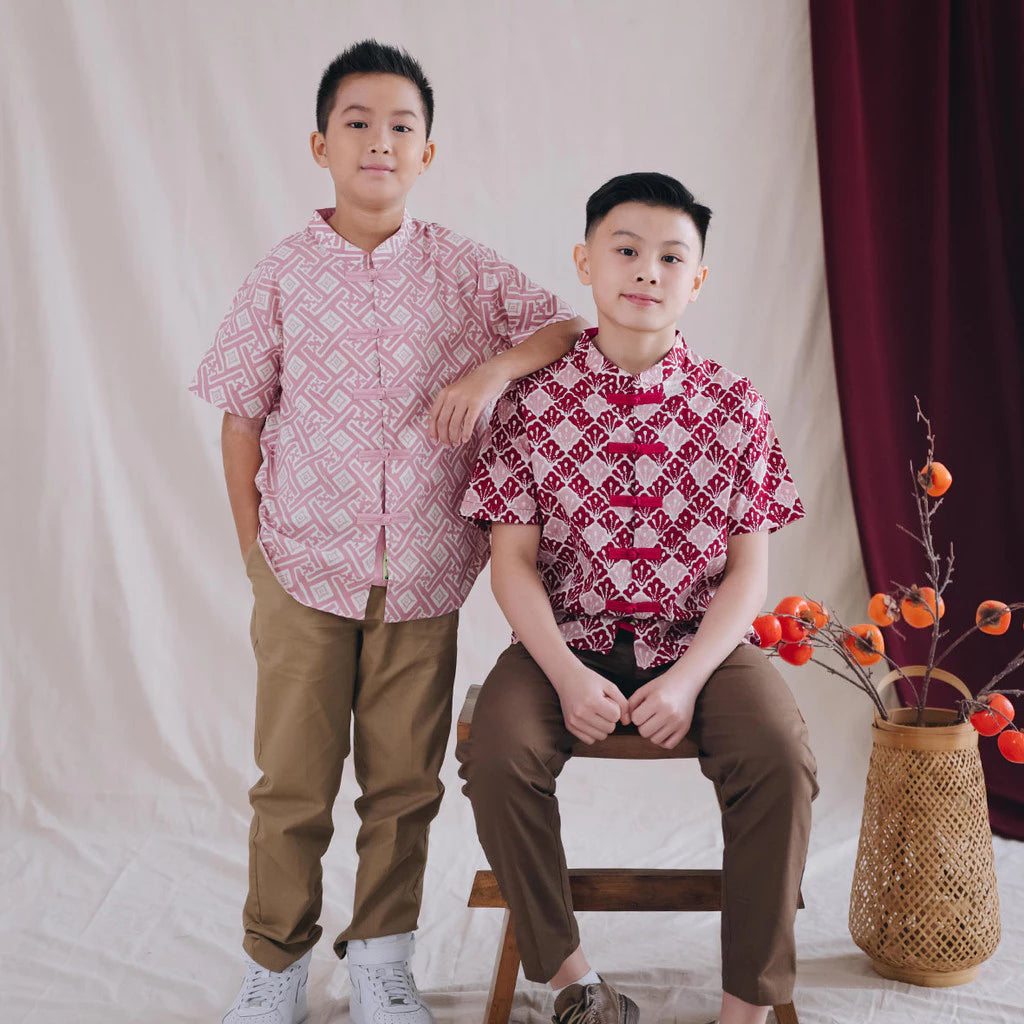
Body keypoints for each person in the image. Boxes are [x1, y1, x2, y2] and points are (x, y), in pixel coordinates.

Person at [190, 39, 585, 1024]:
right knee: (292, 784)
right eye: (357, 124)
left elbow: (563, 330)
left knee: (402, 785)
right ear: (320, 144)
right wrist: (256, 556)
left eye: (400, 127)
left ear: (428, 153)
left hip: (422, 575)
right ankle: (274, 969)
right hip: (302, 572)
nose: (379, 141)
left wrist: (488, 372)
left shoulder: (461, 269)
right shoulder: (281, 274)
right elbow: (240, 418)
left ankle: (380, 962)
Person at [457, 172, 818, 1024]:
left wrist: (690, 679)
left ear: (698, 279)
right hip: (564, 637)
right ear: (586, 262)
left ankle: (746, 1007)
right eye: (625, 250)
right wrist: (567, 675)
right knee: (496, 756)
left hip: (702, 643)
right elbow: (512, 562)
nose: (646, 271)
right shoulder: (530, 405)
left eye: (671, 257)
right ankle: (575, 982)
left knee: (777, 753)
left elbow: (748, 573)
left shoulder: (734, 406)